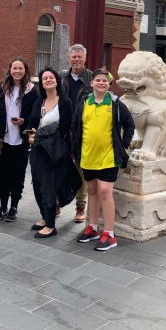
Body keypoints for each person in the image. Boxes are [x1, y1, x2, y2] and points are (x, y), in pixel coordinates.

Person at [72, 68, 135, 251]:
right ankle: (93, 227)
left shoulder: (115, 103)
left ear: (109, 84)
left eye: (104, 81)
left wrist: (124, 144)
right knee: (92, 190)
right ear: (91, 83)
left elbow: (129, 124)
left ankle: (110, 233)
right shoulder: (85, 102)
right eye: (97, 80)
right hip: (88, 155)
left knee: (105, 191)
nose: (101, 83)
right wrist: (76, 148)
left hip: (109, 156)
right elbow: (76, 125)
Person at [0, 57, 39, 222]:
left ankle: (14, 207)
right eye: (14, 68)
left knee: (18, 176)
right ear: (10, 70)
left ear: (25, 70)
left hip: (21, 141)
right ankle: (2, 206)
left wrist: (24, 121)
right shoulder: (2, 88)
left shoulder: (32, 90)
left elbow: (35, 113)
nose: (17, 71)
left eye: (20, 68)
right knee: (3, 175)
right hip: (4, 139)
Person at [28, 68, 73, 238]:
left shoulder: (65, 102)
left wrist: (38, 135)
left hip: (53, 151)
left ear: (57, 80)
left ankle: (51, 225)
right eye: (45, 78)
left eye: (51, 77)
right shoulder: (39, 101)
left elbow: (62, 128)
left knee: (48, 186)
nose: (48, 80)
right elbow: (32, 123)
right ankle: (45, 217)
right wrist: (31, 135)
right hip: (37, 150)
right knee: (37, 184)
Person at [61, 44, 93, 223]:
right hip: (64, 128)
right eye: (74, 57)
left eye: (79, 57)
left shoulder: (91, 78)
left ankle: (80, 208)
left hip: (82, 129)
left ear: (84, 58)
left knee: (81, 170)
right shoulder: (62, 77)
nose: (76, 59)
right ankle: (57, 201)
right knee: (60, 167)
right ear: (69, 58)